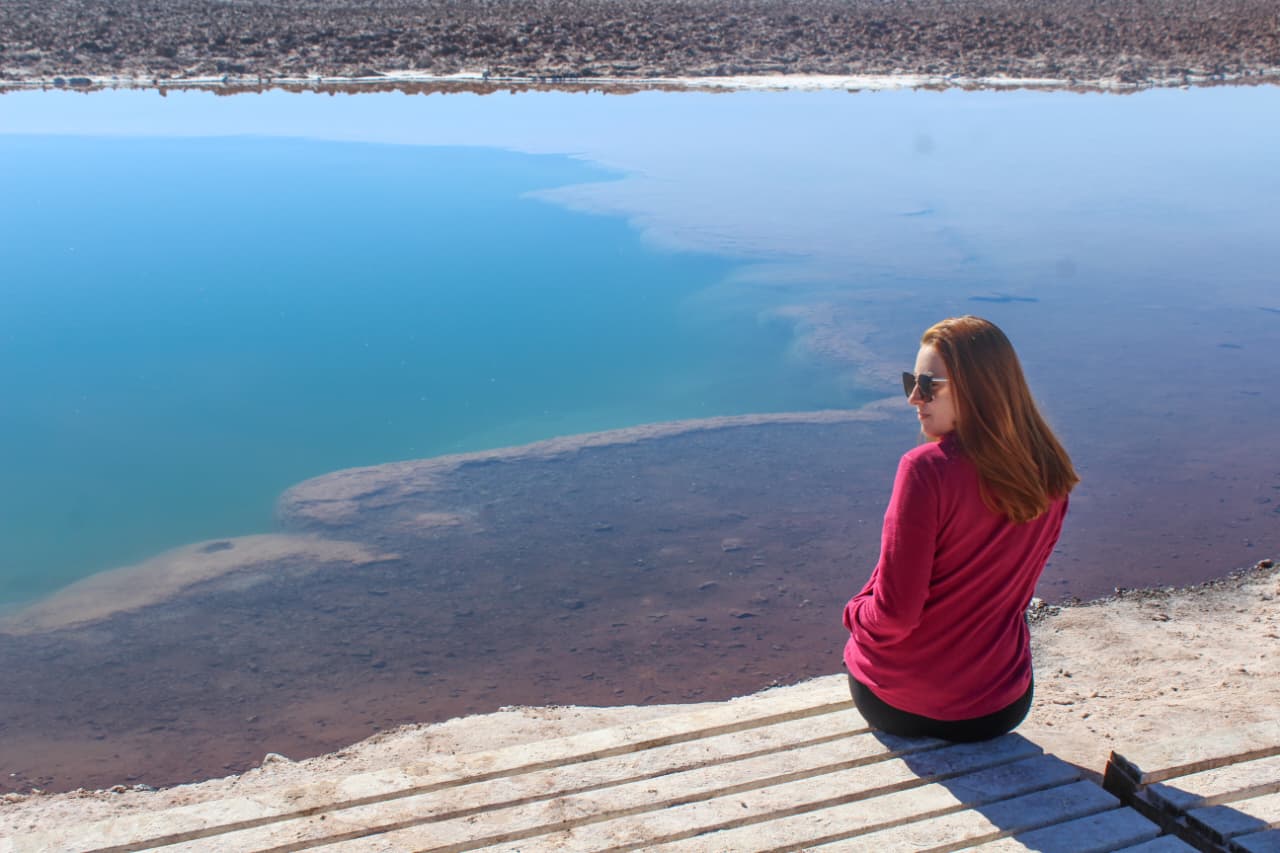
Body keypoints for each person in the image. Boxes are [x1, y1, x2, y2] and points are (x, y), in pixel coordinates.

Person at [842, 316, 1078, 741]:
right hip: (1001, 707)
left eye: (929, 385)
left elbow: (894, 618)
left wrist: (854, 612)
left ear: (978, 388)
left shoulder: (925, 470)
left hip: (900, 706)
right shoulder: (1051, 471)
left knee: (865, 636)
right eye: (910, 382)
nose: (914, 398)